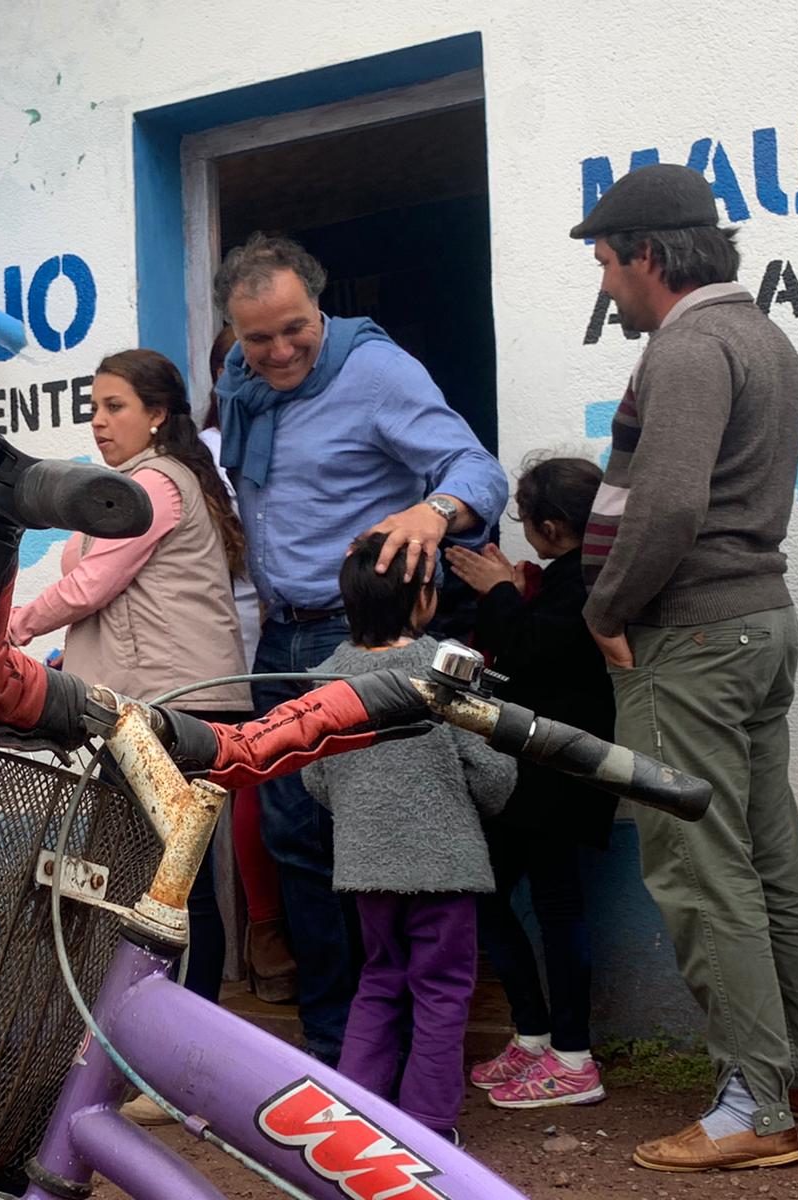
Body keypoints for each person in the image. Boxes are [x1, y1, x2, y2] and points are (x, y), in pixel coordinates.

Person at [571, 162, 798, 1171]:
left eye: (606, 262)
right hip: (757, 628)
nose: (604, 283)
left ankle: (750, 1108)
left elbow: (672, 503)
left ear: (648, 253)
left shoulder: (687, 344)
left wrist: (606, 607)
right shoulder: (765, 337)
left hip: (687, 639)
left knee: (700, 872)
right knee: (770, 860)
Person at [212, 232, 508, 1062]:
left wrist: (433, 511)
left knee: (371, 839)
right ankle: (334, 1037)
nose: (276, 351)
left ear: (321, 302)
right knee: (293, 833)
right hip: (282, 635)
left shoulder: (377, 371)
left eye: (292, 329)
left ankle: (400, 1046)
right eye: (256, 336)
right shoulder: (240, 381)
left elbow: (477, 469)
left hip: (361, 634)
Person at [9, 349, 250, 1124]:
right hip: (157, 704)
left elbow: (90, 583)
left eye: (114, 406)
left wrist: (3, 629)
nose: (98, 420)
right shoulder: (156, 483)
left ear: (156, 413)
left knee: (174, 890)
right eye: (93, 406)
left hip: (175, 710)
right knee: (155, 884)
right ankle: (147, 1059)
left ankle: (182, 1070)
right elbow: (100, 592)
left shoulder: (151, 486)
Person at [302, 533, 515, 1143]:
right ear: (423, 597)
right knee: (443, 990)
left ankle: (354, 1122)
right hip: (445, 864)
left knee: (378, 978)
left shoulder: (325, 680)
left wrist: (365, 812)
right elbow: (493, 772)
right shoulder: (447, 670)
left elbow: (316, 778)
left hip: (365, 863)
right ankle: (427, 1124)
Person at [445, 456, 615, 1110]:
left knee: (557, 906)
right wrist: (511, 590)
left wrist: (502, 592)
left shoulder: (590, 581)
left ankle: (574, 1057)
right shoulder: (565, 577)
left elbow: (531, 652)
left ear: (549, 523)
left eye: (526, 519)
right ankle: (535, 1034)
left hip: (563, 769)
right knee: (486, 891)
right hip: (530, 769)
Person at [200, 325, 296, 1005]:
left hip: (303, 622)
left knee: (309, 777)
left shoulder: (310, 429)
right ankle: (265, 930)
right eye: (242, 363)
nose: (265, 369)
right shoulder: (204, 454)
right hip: (234, 633)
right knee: (252, 779)